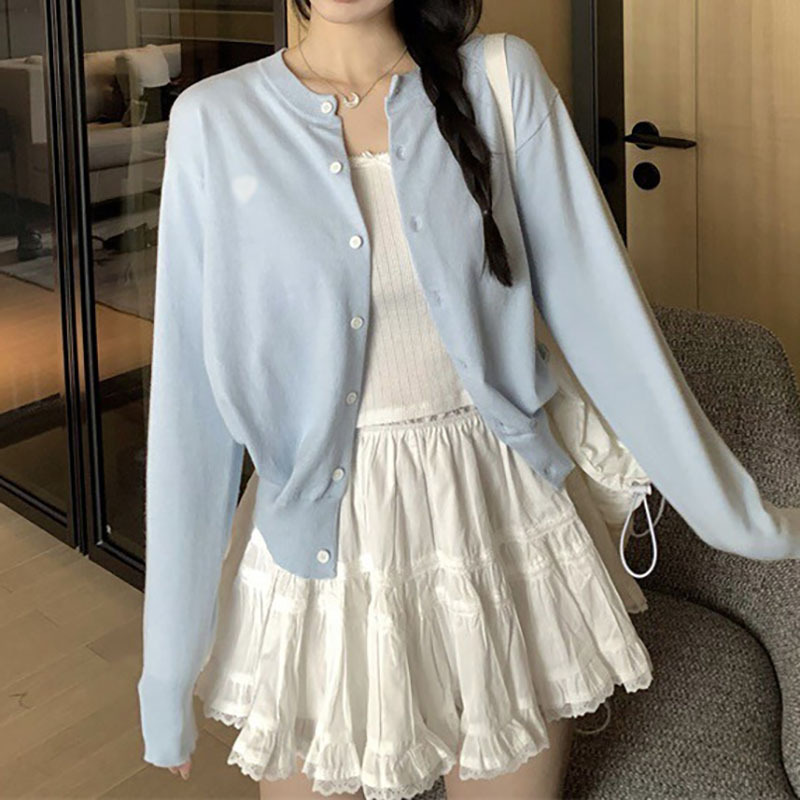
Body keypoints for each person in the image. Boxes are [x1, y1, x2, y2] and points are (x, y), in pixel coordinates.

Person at [136, 1, 800, 798]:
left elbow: (607, 320)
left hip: (502, 525)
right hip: (324, 554)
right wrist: (166, 672)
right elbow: (190, 410)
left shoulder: (499, 80)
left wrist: (735, 516)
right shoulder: (215, 122)